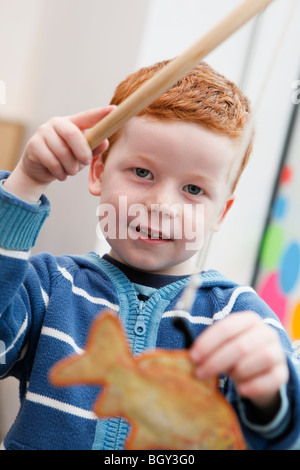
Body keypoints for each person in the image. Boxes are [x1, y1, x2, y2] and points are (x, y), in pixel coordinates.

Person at [0, 60, 299, 450]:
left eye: (194, 189)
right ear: (97, 173)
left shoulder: (239, 317)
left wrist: (269, 397)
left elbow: (282, 433)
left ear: (220, 213)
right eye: (142, 173)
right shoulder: (48, 288)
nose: (162, 206)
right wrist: (24, 184)